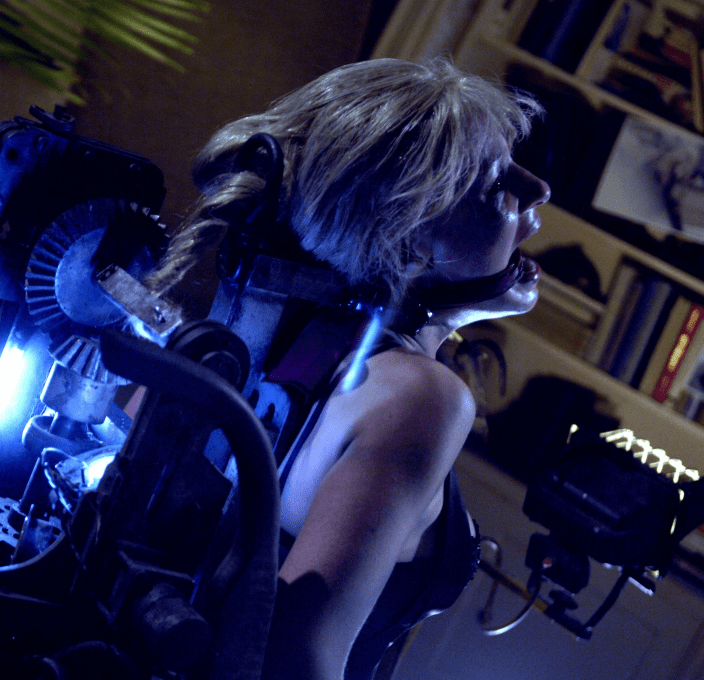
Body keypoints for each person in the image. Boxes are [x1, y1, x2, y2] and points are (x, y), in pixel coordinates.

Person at [147, 58, 551, 680]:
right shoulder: (422, 399)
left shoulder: (262, 330)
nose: (539, 190)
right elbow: (294, 661)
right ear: (412, 238)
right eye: (497, 180)